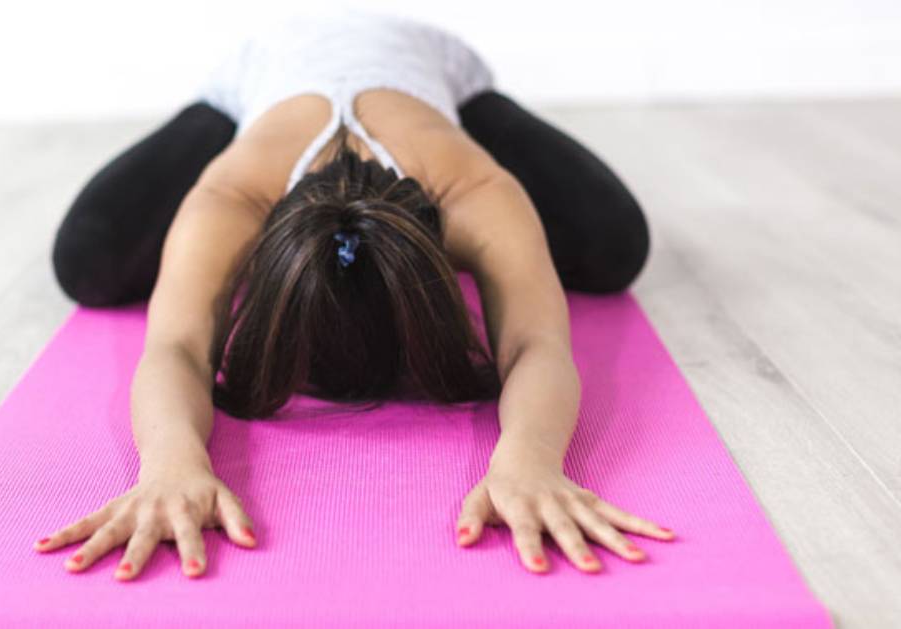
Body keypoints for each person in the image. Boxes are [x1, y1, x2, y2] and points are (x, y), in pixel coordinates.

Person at [36, 9, 672, 583]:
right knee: (88, 264)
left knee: (615, 249)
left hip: (426, 65)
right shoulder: (231, 194)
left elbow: (537, 342)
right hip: (263, 71)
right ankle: (220, 110)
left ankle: (475, 105)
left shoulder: (473, 189)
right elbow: (174, 347)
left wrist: (530, 461)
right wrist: (169, 464)